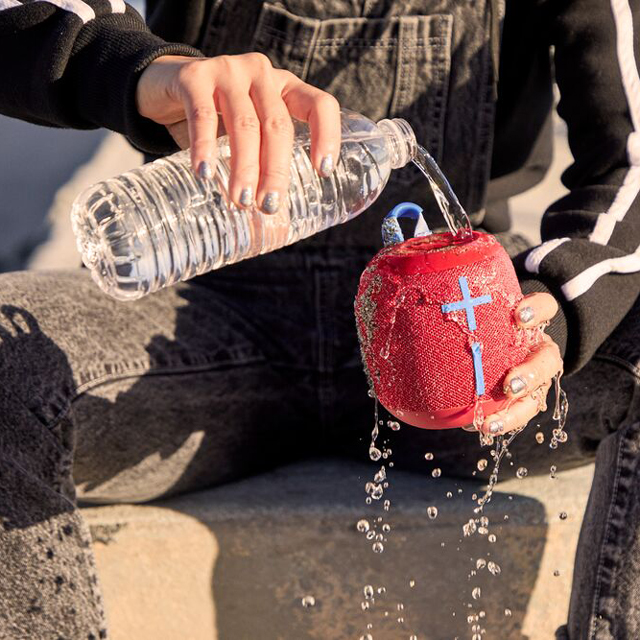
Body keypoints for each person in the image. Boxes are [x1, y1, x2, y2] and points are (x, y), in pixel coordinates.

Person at [0, 0, 638, 638]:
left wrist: (555, 303)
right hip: (207, 322)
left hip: (454, 347)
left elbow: (629, 157)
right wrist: (142, 69)